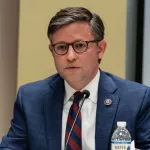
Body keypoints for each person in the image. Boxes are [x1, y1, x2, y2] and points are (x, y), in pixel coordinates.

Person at [0, 7, 150, 150]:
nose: (70, 57)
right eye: (61, 47)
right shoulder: (31, 98)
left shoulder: (136, 100)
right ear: (52, 51)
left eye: (79, 46)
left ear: (100, 49)